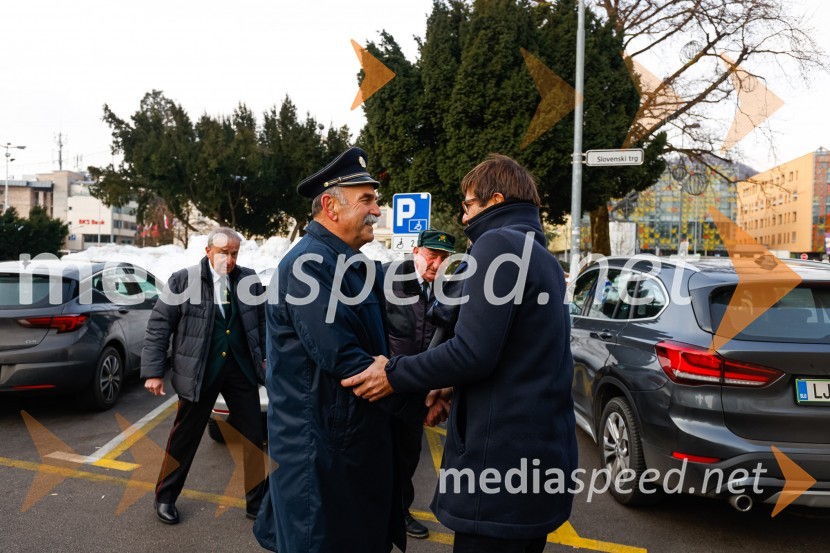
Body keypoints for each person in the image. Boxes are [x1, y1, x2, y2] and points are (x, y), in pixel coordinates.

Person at [342, 153, 578, 553]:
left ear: (496, 200)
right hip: (538, 457)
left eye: (468, 205)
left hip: (500, 467)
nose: (464, 217)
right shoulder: (541, 257)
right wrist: (448, 387)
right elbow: (519, 352)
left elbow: (473, 352)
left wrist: (393, 374)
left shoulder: (497, 243)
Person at [253, 147, 426, 553]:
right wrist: (418, 397)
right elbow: (345, 359)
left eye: (375, 201)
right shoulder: (309, 265)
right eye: (367, 200)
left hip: (346, 448)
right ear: (331, 206)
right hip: (321, 456)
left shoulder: (347, 263)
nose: (377, 211)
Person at [141, 227, 267, 525]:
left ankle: (257, 502)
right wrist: (153, 372)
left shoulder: (248, 279)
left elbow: (262, 323)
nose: (230, 259)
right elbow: (159, 326)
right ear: (208, 251)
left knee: (253, 436)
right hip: (200, 370)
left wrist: (266, 357)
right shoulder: (183, 280)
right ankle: (165, 497)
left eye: (235, 253)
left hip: (241, 369)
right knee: (185, 436)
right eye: (224, 253)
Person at [384, 228, 456, 540]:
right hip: (386, 385)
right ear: (416, 252)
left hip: (420, 392)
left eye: (443, 258)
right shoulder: (390, 280)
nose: (436, 264)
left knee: (407, 456)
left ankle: (400, 513)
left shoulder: (450, 291)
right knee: (373, 454)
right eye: (431, 255)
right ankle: (369, 514)